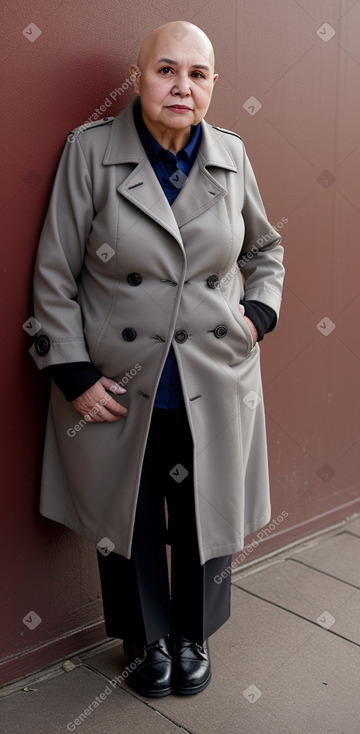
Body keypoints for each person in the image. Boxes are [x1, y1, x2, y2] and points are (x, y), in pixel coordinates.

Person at [30, 20, 285, 698]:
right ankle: (144, 641)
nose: (181, 86)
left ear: (212, 86)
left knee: (207, 513)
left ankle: (193, 634)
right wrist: (74, 374)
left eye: (197, 74)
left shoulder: (231, 155)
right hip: (118, 383)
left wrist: (258, 313)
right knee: (130, 518)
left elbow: (265, 251)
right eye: (166, 70)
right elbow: (54, 274)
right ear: (138, 78)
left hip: (213, 376)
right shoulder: (89, 154)